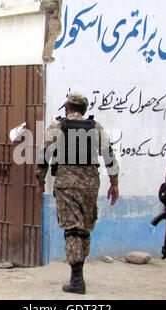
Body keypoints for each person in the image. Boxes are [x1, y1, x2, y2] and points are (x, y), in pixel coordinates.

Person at [35, 92, 120, 294]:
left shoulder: (56, 127)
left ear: (66, 107)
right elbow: (109, 155)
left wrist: (40, 182)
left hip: (66, 184)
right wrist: (114, 182)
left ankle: (77, 279)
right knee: (84, 228)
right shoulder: (96, 128)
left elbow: (43, 157)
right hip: (90, 185)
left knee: (72, 228)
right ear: (84, 110)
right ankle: (78, 274)